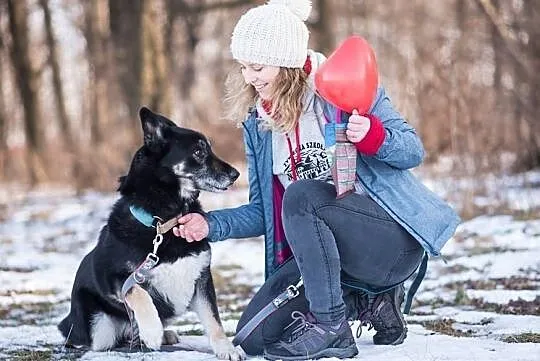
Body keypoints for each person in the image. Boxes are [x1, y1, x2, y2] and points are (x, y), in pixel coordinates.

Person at [172, 0, 461, 360]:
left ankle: (332, 325)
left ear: (288, 62)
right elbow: (265, 211)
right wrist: (209, 224)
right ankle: (366, 301)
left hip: (390, 242)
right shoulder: (258, 125)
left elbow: (412, 151)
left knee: (302, 196)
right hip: (329, 256)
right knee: (253, 337)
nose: (249, 77)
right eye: (244, 67)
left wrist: (373, 136)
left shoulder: (344, 89)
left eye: (258, 66)